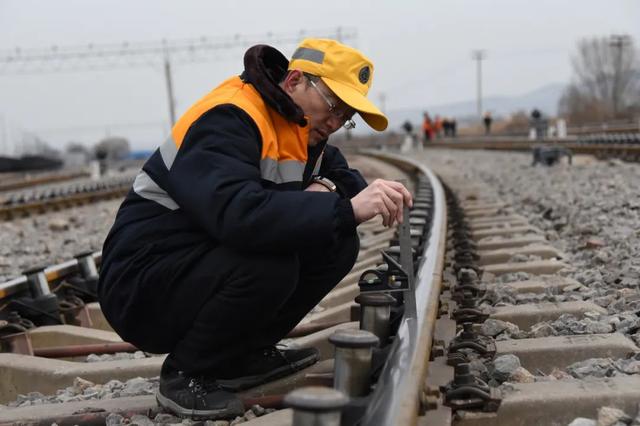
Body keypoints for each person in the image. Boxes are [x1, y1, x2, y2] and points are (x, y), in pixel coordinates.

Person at [98, 38, 412, 420]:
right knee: (275, 262)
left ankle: (241, 356)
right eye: (334, 104)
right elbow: (239, 217)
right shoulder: (229, 117)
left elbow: (346, 177)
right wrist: (342, 208)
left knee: (336, 241)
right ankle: (186, 374)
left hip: (195, 266)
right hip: (143, 282)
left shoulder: (300, 129)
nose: (336, 121)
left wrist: (331, 192)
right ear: (296, 80)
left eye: (346, 115)